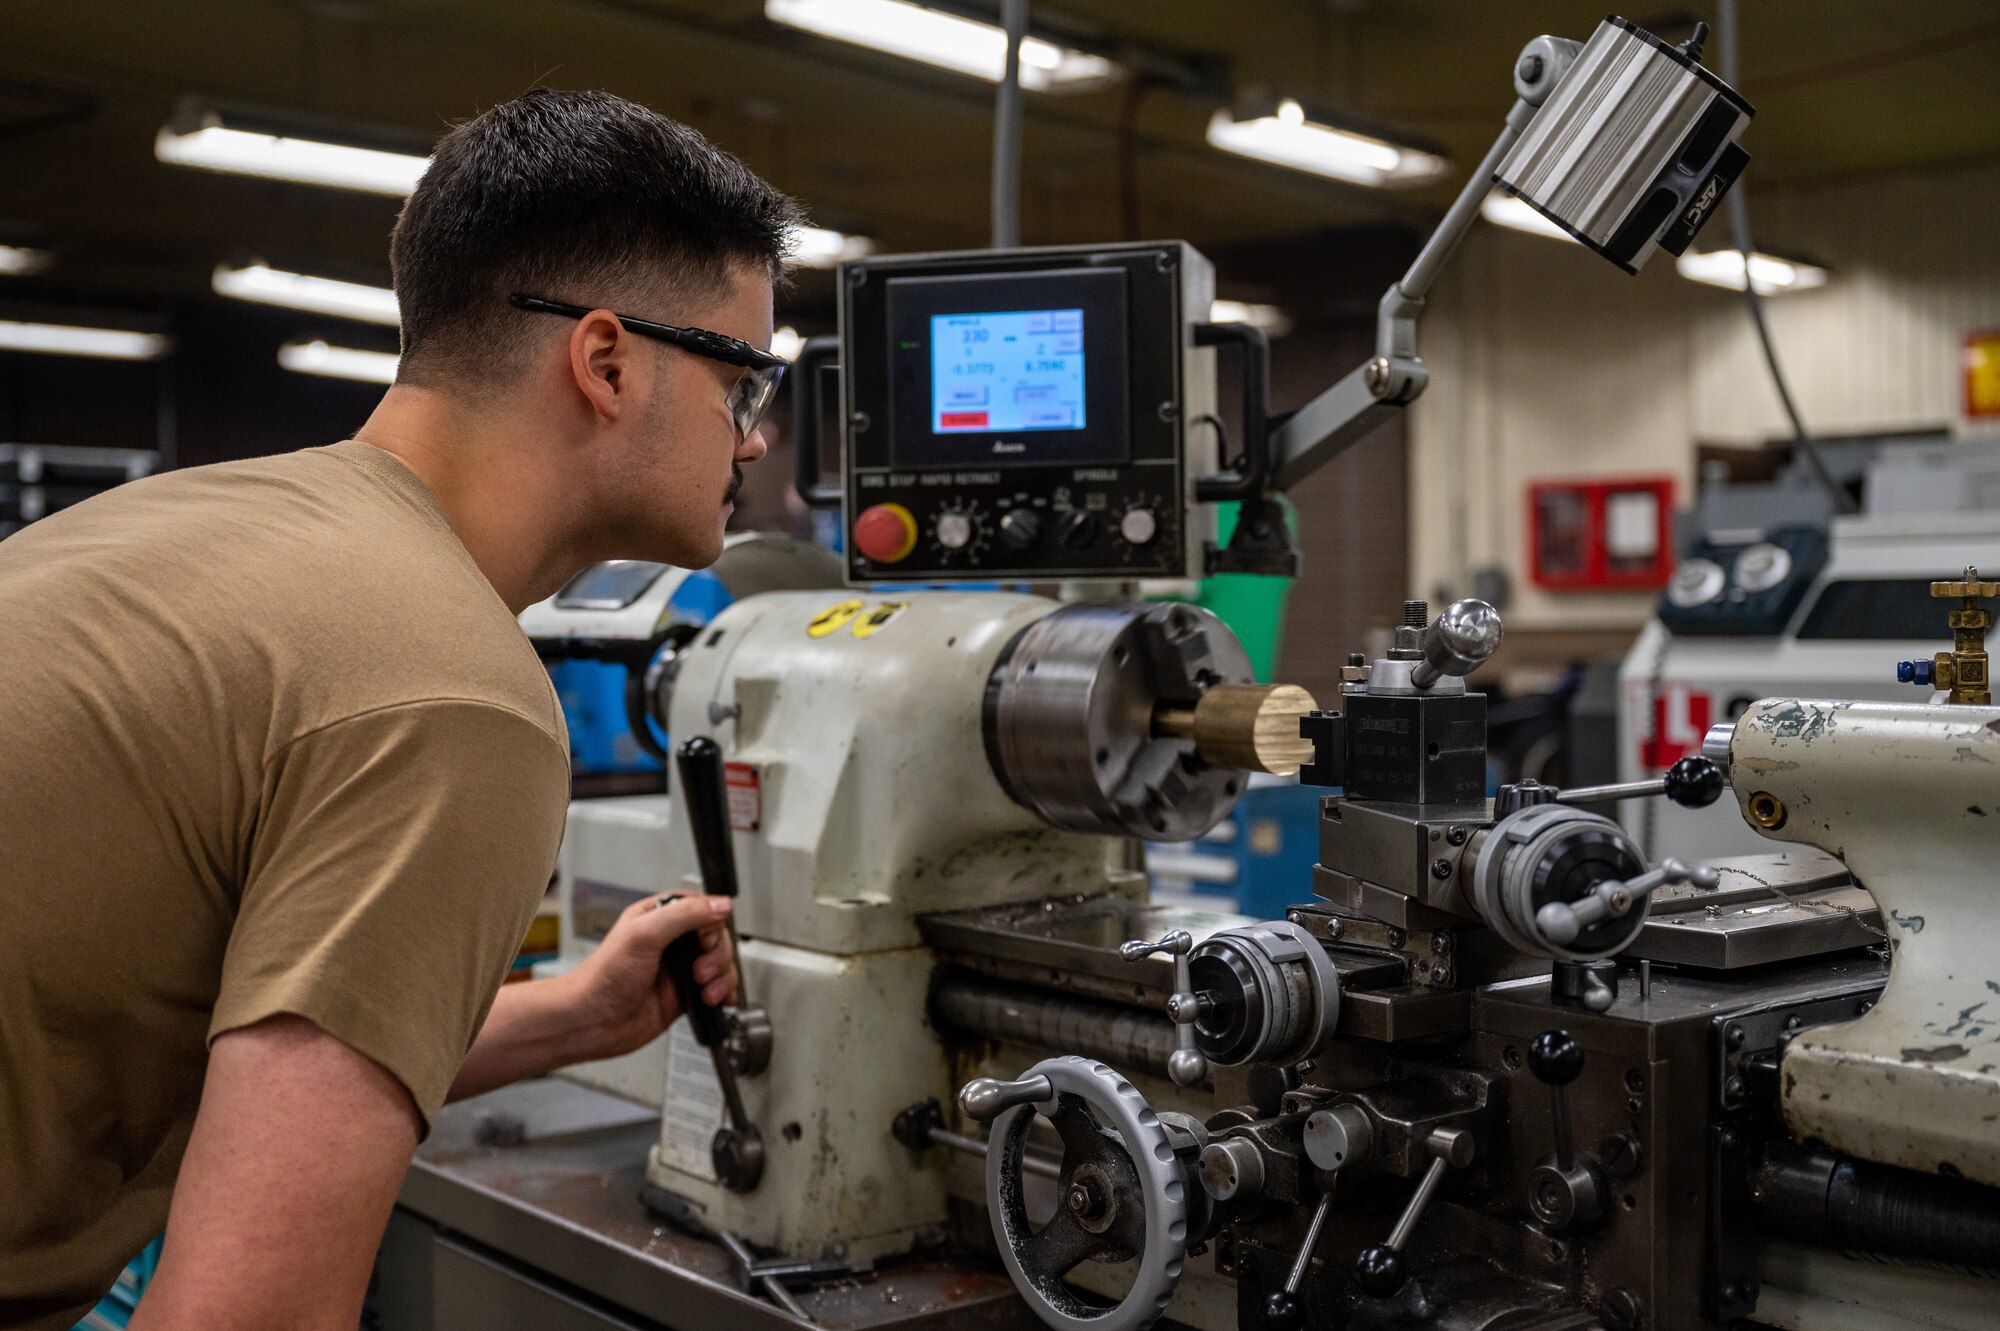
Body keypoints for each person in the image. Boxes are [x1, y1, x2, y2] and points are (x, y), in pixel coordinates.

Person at [0, 88, 801, 1330]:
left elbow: (222, 1022)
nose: (752, 442)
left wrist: (568, 1015)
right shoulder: (450, 689)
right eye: (741, 382)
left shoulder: (196, 521)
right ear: (604, 362)